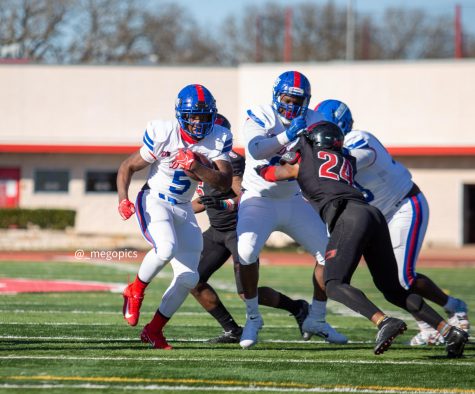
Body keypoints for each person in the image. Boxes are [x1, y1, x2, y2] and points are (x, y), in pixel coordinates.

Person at [256, 121, 469, 357]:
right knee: (393, 289)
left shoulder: (303, 160)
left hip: (349, 216)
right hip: (371, 214)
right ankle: (449, 332)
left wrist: (260, 166)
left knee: (334, 284)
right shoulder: (347, 160)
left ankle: (383, 321)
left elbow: (272, 173)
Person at [315, 99, 470, 346]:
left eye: (321, 126)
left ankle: (453, 308)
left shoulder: (358, 139)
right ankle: (433, 325)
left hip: (404, 206)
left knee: (402, 278)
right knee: (390, 282)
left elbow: (346, 161)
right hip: (377, 216)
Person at [117, 84, 233, 349]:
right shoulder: (163, 132)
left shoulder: (218, 136)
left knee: (190, 277)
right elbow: (127, 166)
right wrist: (122, 198)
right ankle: (135, 289)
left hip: (183, 207)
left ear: (212, 115)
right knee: (166, 247)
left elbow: (224, 182)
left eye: (203, 116)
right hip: (155, 199)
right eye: (192, 115)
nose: (197, 122)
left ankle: (154, 330)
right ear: (181, 114)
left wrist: (196, 166)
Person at [237, 70, 348, 349]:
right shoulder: (261, 115)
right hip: (259, 197)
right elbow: (255, 150)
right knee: (246, 252)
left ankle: (317, 319)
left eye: (298, 99)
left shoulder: (314, 120)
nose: (291, 104)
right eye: (287, 98)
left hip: (294, 198)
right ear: (277, 96)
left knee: (328, 254)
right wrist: (288, 134)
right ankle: (253, 317)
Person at [190, 114, 309, 343]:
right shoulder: (202, 159)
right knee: (192, 279)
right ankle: (232, 330)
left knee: (246, 291)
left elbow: (242, 195)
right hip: (217, 231)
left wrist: (221, 203)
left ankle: (297, 307)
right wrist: (174, 208)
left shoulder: (230, 160)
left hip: (238, 230)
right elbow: (204, 201)